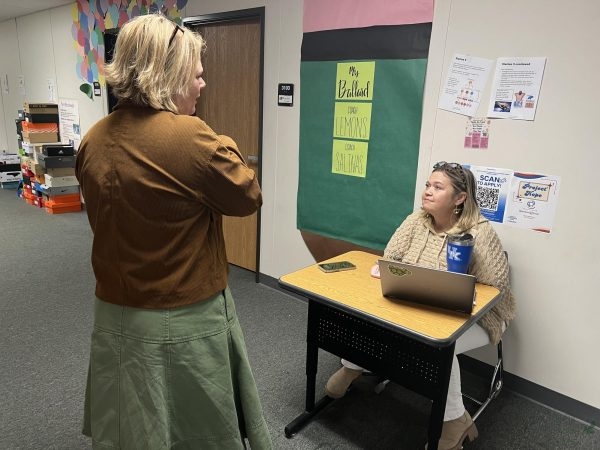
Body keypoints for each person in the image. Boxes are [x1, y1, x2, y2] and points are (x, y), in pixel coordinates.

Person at [75, 14, 272, 450]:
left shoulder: (93, 139)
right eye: (197, 75)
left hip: (114, 312)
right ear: (170, 75)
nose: (202, 85)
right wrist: (222, 140)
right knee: (197, 430)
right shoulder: (191, 137)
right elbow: (248, 195)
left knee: (131, 426)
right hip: (182, 317)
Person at [324, 162, 516, 450]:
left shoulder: (479, 233)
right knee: (371, 314)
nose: (427, 192)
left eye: (438, 187)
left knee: (439, 345)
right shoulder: (417, 220)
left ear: (460, 198)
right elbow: (391, 257)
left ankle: (455, 420)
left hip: (480, 317)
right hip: (419, 307)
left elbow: (495, 291)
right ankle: (353, 367)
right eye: (428, 185)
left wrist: (464, 294)